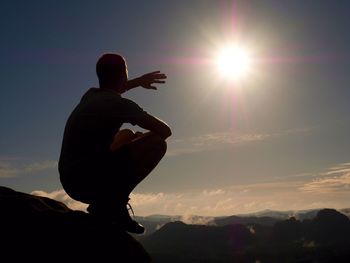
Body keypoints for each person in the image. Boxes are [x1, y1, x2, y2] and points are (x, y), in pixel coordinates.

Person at [58, 53, 171, 234]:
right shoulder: (120, 105)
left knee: (128, 134)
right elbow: (165, 131)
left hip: (70, 179)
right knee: (156, 143)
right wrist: (144, 140)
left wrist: (139, 81)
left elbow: (116, 88)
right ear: (123, 74)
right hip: (88, 182)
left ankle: (106, 203)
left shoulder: (90, 96)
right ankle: (114, 204)